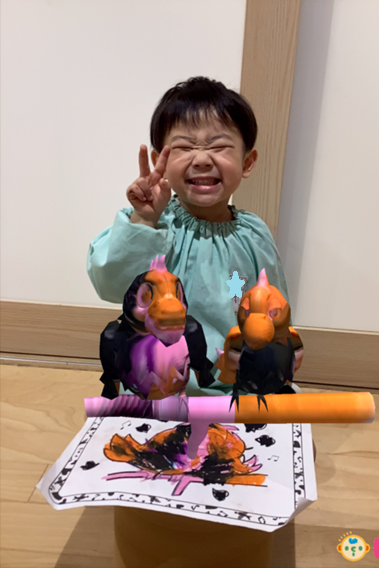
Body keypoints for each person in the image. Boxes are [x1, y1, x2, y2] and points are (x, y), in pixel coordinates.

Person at [87, 76, 296, 397]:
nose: (201, 159)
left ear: (247, 162)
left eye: (219, 146)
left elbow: (275, 311)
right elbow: (111, 285)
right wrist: (144, 220)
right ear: (160, 160)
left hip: (237, 389)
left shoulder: (254, 235)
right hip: (155, 386)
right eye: (184, 147)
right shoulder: (153, 225)